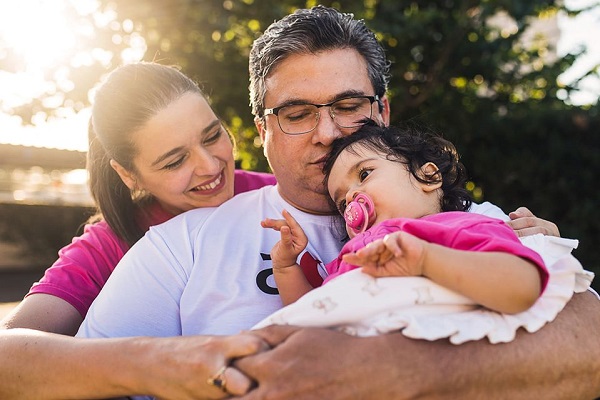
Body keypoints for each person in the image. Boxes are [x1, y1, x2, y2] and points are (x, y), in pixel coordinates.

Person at [76, 5, 600, 400]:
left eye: (349, 105)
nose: (327, 133)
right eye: (297, 114)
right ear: (261, 130)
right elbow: (74, 373)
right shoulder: (180, 245)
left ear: (383, 112)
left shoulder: (467, 218)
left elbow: (588, 343)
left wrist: (395, 371)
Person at [0, 62, 275, 399]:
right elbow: (7, 354)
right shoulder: (107, 244)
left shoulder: (281, 196)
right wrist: (155, 365)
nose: (210, 166)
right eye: (175, 161)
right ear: (128, 175)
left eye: (212, 136)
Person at [257, 122, 590, 344]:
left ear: (428, 177)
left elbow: (522, 286)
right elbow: (311, 312)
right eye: (342, 203)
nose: (353, 200)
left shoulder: (463, 226)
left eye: (365, 174)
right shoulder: (355, 255)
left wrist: (426, 260)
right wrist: (286, 268)